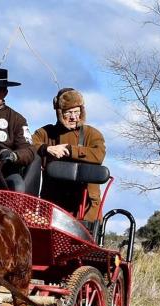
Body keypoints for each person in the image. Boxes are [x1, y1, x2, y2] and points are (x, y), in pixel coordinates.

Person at [32, 88, 106, 223]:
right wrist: (47, 148)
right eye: (68, 112)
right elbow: (27, 146)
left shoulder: (92, 134)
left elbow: (98, 155)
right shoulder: (45, 133)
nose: (73, 117)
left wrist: (70, 150)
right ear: (59, 113)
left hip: (85, 207)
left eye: (77, 112)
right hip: (53, 203)